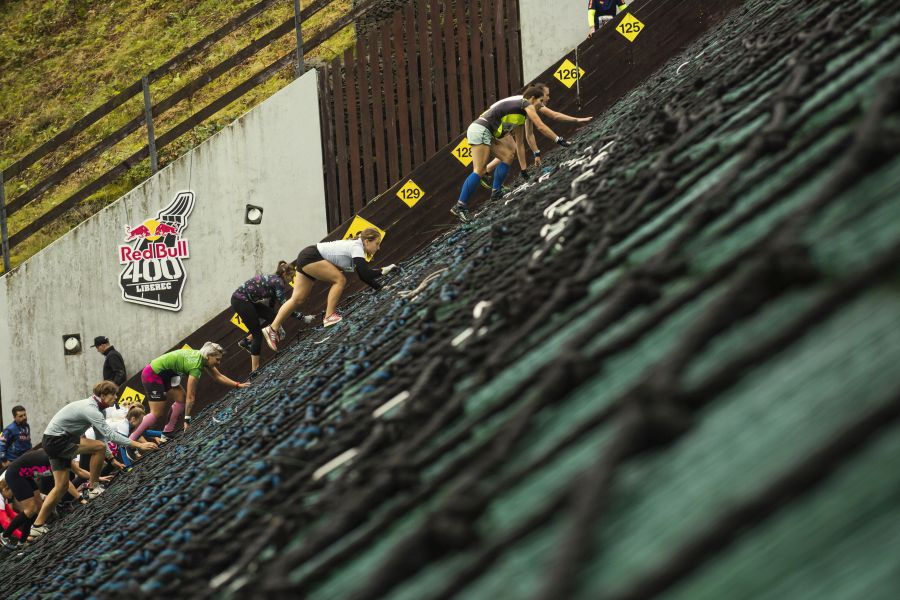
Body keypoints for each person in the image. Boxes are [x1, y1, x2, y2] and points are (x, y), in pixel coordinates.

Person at [31, 381, 158, 539]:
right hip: (58, 440)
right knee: (96, 448)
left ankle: (37, 525)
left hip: (55, 440)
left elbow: (101, 439)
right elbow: (110, 437)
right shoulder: (91, 409)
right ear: (103, 396)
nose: (116, 398)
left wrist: (111, 459)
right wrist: (138, 445)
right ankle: (93, 487)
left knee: (61, 486)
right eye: (113, 395)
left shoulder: (100, 410)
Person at [452, 84, 593, 222]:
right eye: (540, 101)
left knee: (508, 155)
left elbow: (520, 144)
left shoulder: (521, 114)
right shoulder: (526, 104)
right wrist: (559, 140)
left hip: (491, 131)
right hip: (481, 129)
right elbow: (541, 127)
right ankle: (460, 206)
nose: (542, 105)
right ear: (532, 98)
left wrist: (524, 169)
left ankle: (496, 192)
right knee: (479, 170)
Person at [262, 229, 397, 345]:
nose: (378, 248)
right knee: (339, 280)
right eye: (377, 244)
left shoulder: (355, 247)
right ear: (367, 241)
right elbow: (365, 273)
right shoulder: (357, 247)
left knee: (297, 299)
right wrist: (383, 271)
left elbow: (363, 276)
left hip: (307, 255)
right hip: (311, 256)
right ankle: (329, 316)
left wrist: (380, 287)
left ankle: (272, 328)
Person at [131, 342, 249, 440]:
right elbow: (191, 397)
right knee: (156, 413)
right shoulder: (195, 366)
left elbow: (219, 376)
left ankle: (167, 433)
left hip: (166, 374)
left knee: (181, 398)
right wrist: (186, 420)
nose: (218, 363)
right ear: (209, 355)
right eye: (217, 359)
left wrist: (238, 385)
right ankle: (130, 442)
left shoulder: (201, 357)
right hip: (152, 373)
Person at [0, 449, 95, 547]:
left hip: (25, 474)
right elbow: (65, 483)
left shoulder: (62, 456)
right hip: (15, 474)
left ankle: (23, 541)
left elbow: (79, 471)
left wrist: (96, 479)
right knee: (30, 509)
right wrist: (80, 499)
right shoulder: (56, 458)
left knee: (37, 507)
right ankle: (4, 535)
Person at [231, 261, 295, 375]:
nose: (292, 278)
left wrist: (273, 322)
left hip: (245, 300)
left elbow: (271, 306)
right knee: (258, 335)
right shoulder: (278, 282)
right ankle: (254, 372)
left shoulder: (274, 280)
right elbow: (285, 304)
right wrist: (300, 317)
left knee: (272, 315)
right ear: (285, 274)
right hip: (241, 301)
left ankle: (246, 341)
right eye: (292, 276)